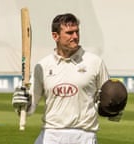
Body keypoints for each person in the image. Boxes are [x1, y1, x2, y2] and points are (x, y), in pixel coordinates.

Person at [12, 13, 121, 144]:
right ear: (55, 36)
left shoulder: (95, 62)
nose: (75, 36)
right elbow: (30, 108)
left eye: (77, 32)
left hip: (84, 136)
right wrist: (21, 104)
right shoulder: (42, 66)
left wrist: (114, 109)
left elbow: (107, 102)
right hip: (51, 135)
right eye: (69, 33)